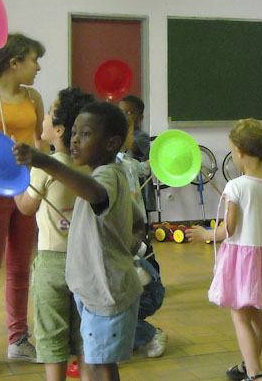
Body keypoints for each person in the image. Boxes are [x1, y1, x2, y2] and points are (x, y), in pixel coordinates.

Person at [12, 101, 144, 381]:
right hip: (100, 290)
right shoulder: (109, 173)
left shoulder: (106, 175)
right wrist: (129, 242)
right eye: (74, 132)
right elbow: (137, 219)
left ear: (111, 143)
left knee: (100, 366)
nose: (74, 139)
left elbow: (96, 194)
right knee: (100, 364)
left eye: (85, 134)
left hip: (106, 292)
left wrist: (43, 160)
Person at [187, 118, 262, 381]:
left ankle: (256, 374)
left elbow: (228, 230)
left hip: (241, 259)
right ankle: (248, 365)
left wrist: (204, 235)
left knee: (239, 313)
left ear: (240, 152)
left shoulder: (236, 186)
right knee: (255, 312)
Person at [0, 33, 47, 374]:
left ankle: (19, 340)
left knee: (21, 269)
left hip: (26, 189)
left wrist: (47, 183)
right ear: (14, 63)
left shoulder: (34, 97)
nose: (38, 67)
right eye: (33, 59)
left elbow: (40, 145)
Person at [13, 87, 94, 381]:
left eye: (47, 114)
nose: (43, 118)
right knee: (85, 336)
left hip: (52, 264)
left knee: (52, 339)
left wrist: (14, 179)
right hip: (86, 263)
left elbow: (24, 206)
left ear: (59, 128)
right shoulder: (87, 166)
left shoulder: (44, 168)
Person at [116, 119, 167, 358]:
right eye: (128, 132)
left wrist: (168, 156)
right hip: (126, 237)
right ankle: (132, 329)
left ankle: (146, 332)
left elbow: (146, 168)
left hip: (133, 237)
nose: (133, 136)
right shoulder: (111, 167)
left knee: (123, 296)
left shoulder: (127, 161)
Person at [119, 95, 156, 221]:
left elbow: (134, 148)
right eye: (121, 112)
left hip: (140, 184)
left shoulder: (142, 136)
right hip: (125, 186)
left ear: (140, 117)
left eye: (129, 112)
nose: (124, 116)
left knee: (140, 214)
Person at [132, 242, 167, 358]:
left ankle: (153, 335)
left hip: (147, 294)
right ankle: (131, 338)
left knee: (117, 319)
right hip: (143, 292)